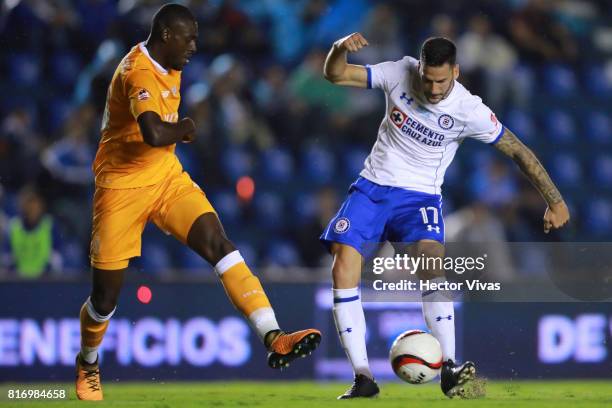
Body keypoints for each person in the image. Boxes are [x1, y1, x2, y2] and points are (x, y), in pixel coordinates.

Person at [75, 4, 321, 401]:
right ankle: (88, 362)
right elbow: (153, 132)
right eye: (188, 39)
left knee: (220, 246)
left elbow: (159, 144)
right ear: (166, 36)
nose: (194, 47)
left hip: (166, 178)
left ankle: (273, 335)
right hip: (120, 188)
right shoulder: (137, 71)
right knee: (105, 299)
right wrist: (186, 128)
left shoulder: (170, 59)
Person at [321, 33, 569, 399]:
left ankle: (449, 367)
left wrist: (555, 200)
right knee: (343, 265)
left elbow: (518, 151)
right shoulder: (397, 72)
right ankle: (363, 377)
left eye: (442, 80)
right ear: (418, 68)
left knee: (432, 264)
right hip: (372, 187)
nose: (434, 89)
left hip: (419, 197)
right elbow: (337, 76)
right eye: (427, 79)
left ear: (456, 71)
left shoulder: (469, 109)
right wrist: (338, 49)